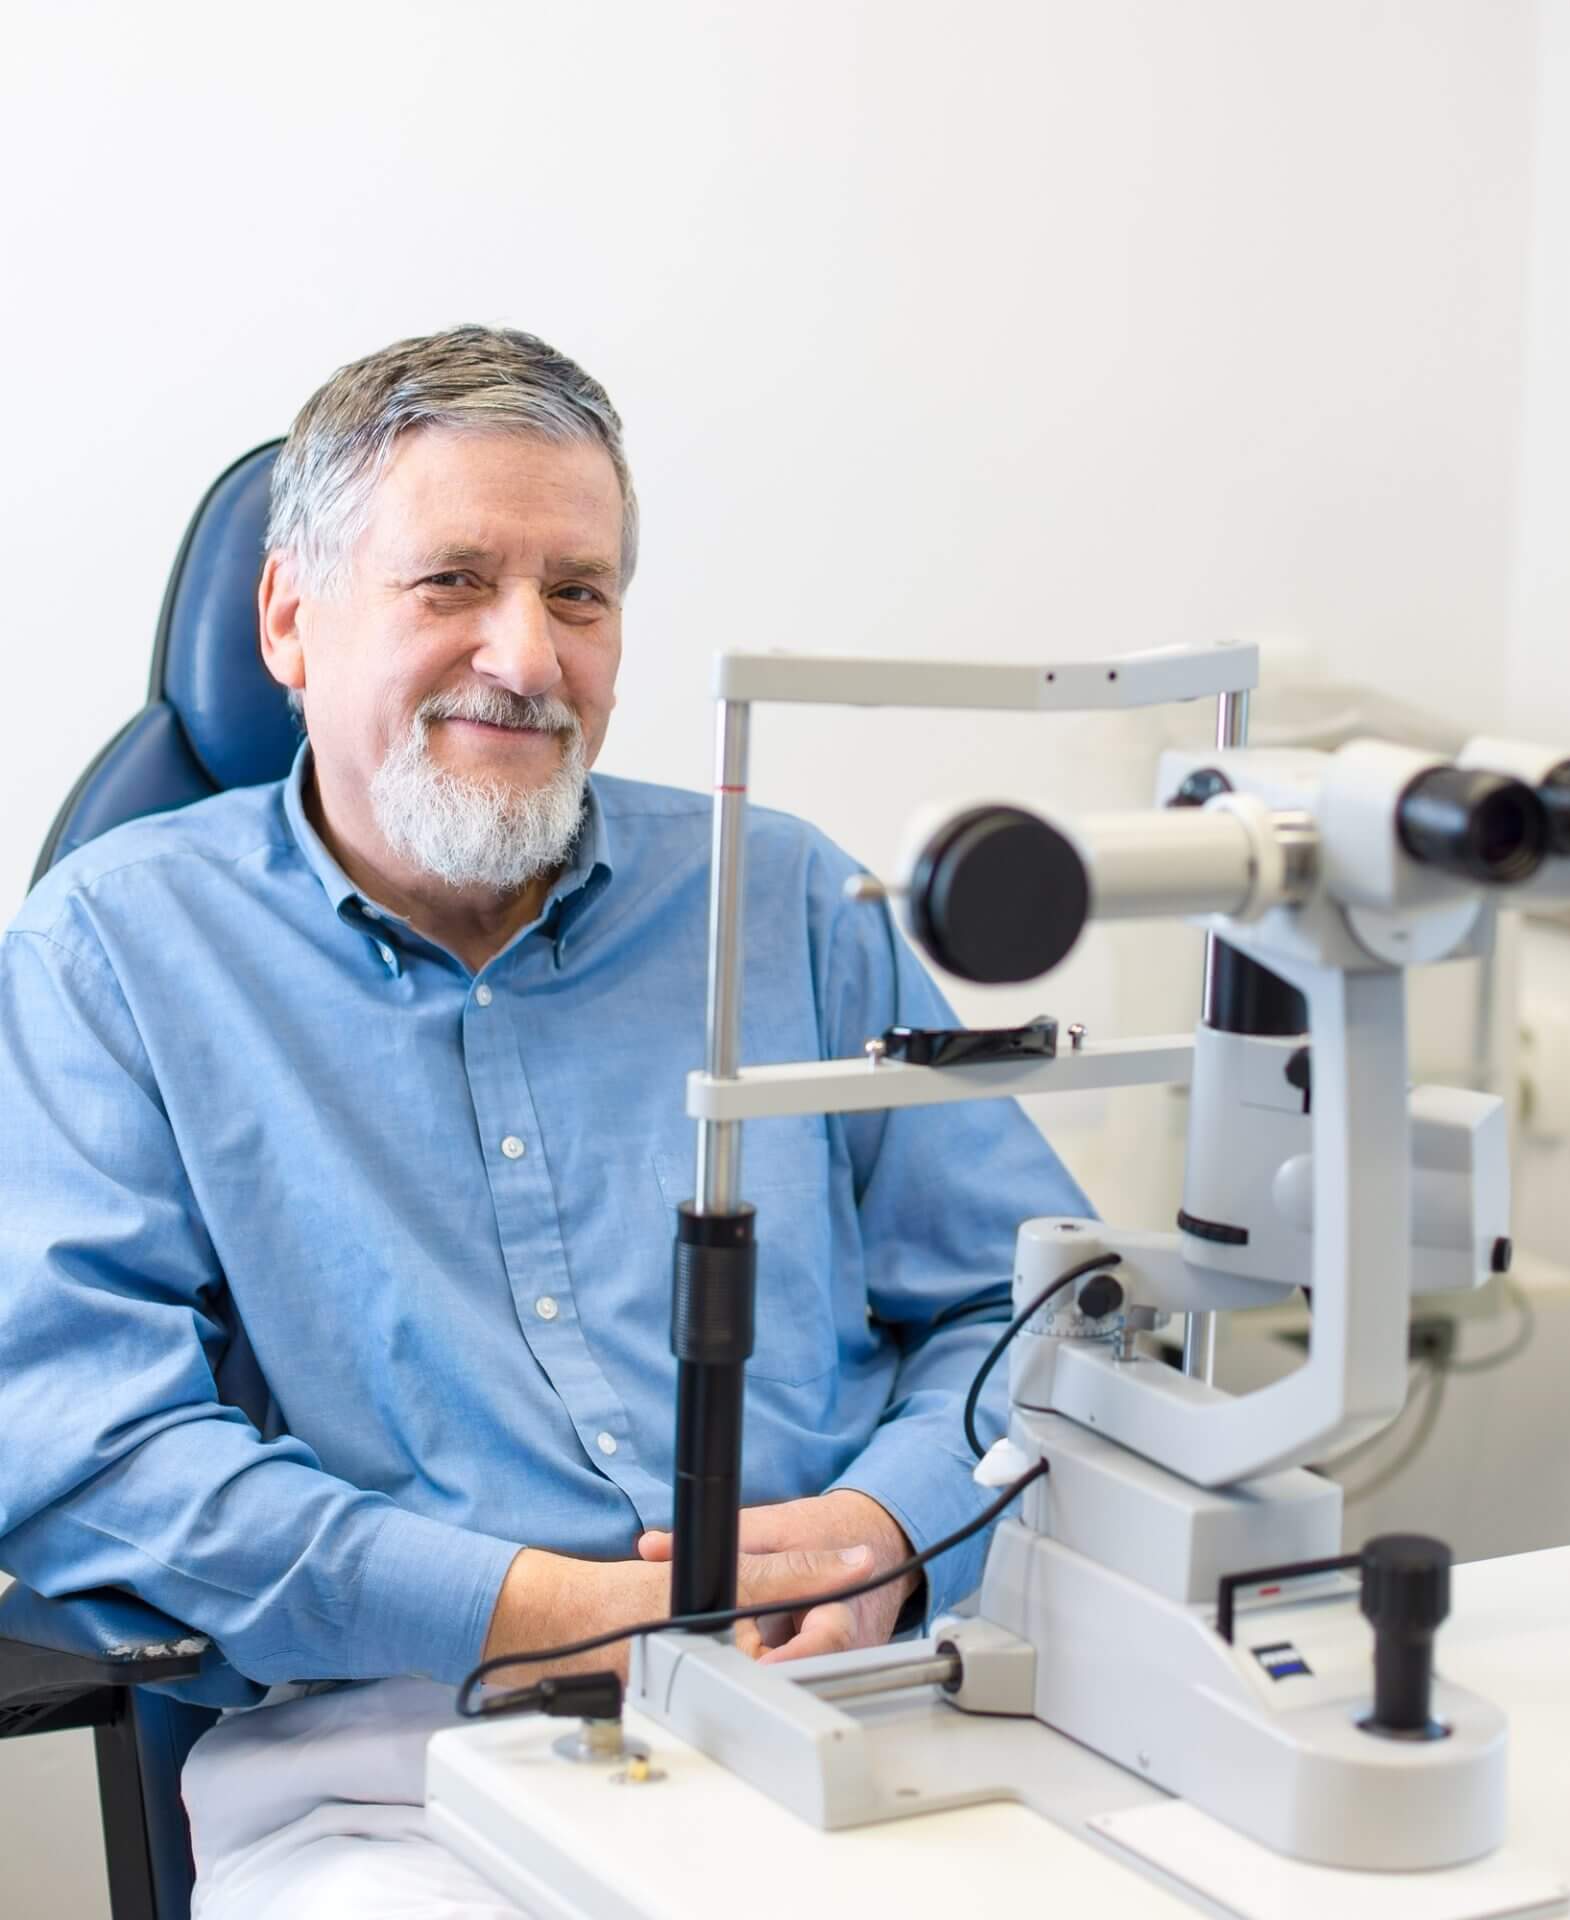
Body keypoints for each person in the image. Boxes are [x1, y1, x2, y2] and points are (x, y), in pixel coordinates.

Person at [0, 325, 1087, 1916]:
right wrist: (533, 1604)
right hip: (407, 1784)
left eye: (578, 594)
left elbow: (1044, 1302)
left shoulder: (778, 893)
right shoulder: (110, 952)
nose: (527, 654)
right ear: (292, 622)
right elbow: (82, 1448)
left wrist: (888, 1529)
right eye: (452, 583)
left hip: (876, 1703)